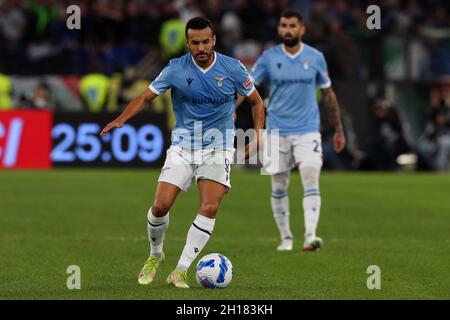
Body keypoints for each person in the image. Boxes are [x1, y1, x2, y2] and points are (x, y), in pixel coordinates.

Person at [100, 17, 264, 288]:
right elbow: (144, 97)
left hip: (218, 146)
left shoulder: (233, 68)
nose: (201, 47)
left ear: (214, 41)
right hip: (183, 146)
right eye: (195, 42)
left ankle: (181, 270)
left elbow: (256, 102)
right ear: (188, 43)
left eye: (205, 41)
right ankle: (155, 255)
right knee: (160, 205)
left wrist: (258, 135)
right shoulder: (175, 69)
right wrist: (121, 119)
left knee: (210, 206)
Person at [248, 10, 346, 252]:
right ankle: (286, 237)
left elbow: (328, 95)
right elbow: (248, 87)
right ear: (279, 29)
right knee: (279, 185)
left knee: (311, 176)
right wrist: (230, 109)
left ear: (302, 29)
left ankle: (310, 235)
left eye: (293, 25)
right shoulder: (269, 58)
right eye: (284, 25)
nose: (288, 29)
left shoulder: (315, 57)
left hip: (308, 130)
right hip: (276, 131)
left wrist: (338, 129)